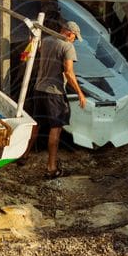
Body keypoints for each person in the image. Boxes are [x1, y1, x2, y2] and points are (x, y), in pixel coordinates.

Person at [23, 17, 86, 178]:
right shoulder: (67, 47)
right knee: (55, 128)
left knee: (37, 124)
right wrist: (79, 93)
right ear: (69, 33)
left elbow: (36, 50)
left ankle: (24, 156)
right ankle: (51, 167)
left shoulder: (47, 41)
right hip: (55, 92)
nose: (74, 41)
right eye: (74, 37)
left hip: (39, 89)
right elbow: (68, 72)